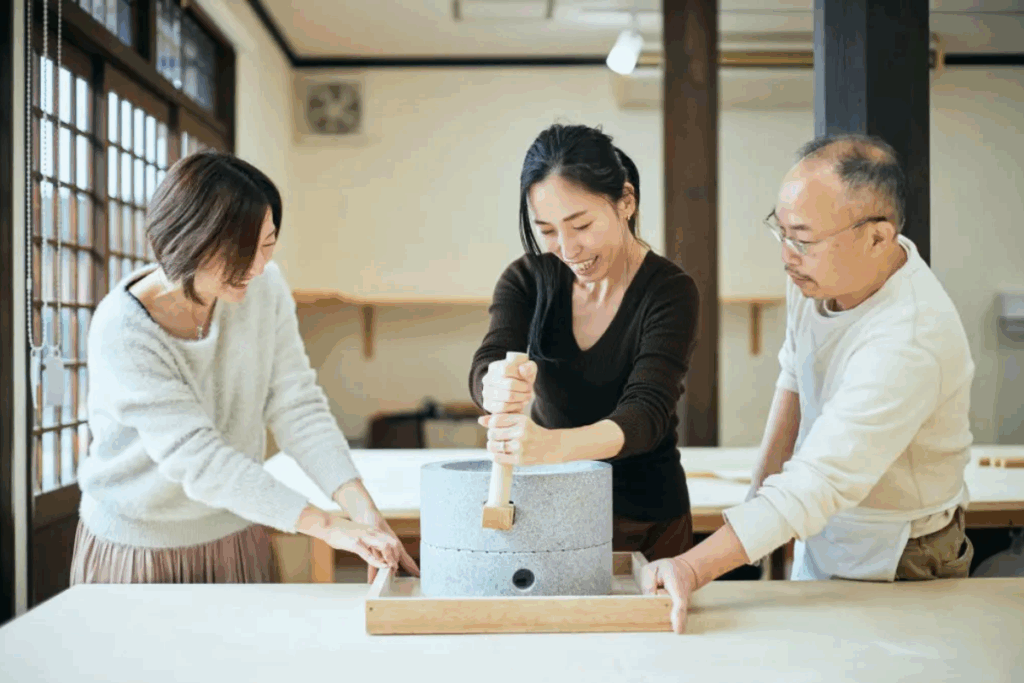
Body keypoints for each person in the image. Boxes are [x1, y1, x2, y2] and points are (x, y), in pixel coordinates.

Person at [642, 134, 976, 633]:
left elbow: (819, 480)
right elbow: (795, 373)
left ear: (878, 237)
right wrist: (756, 503)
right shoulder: (819, 273)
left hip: (902, 551)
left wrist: (693, 566)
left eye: (802, 238)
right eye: (781, 231)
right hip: (825, 521)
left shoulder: (909, 338)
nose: (786, 255)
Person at [70, 151, 418, 584]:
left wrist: (363, 511)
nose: (257, 267)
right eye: (240, 252)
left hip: (236, 526)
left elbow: (297, 406)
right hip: (140, 542)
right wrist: (328, 525)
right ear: (188, 240)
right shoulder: (123, 329)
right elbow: (200, 461)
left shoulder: (263, 286)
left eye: (268, 245)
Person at [469, 123, 700, 561]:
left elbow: (645, 413)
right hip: (551, 510)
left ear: (625, 202)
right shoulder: (526, 279)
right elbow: (487, 361)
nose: (568, 248)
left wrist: (554, 447)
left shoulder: (670, 290)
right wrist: (494, 386)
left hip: (647, 520)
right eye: (549, 230)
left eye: (581, 225)